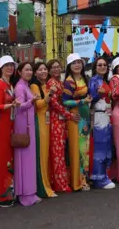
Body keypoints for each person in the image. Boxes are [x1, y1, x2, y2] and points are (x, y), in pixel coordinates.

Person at [0, 55, 20, 207]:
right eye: (7, 65)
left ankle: (8, 192)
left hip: (10, 123)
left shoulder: (10, 85)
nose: (10, 68)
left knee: (9, 158)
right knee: (1, 158)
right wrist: (11, 105)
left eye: (12, 65)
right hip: (1, 123)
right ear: (1, 68)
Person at [62, 53, 92, 191]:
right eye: (74, 63)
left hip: (85, 118)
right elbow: (65, 101)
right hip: (76, 117)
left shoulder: (85, 79)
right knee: (78, 150)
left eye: (79, 62)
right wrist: (81, 101)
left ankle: (85, 177)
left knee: (85, 149)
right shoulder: (69, 81)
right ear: (69, 66)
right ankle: (79, 180)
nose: (77, 65)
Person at [13, 62, 41, 206]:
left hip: (29, 124)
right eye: (26, 70)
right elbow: (20, 107)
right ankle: (24, 194)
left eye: (31, 70)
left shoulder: (26, 86)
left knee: (30, 160)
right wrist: (32, 101)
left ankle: (31, 192)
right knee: (24, 160)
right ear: (19, 72)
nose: (29, 72)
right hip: (23, 126)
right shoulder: (19, 87)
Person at [46, 59, 75, 193]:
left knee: (61, 152)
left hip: (61, 120)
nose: (56, 69)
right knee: (57, 153)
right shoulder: (51, 83)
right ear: (49, 70)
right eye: (53, 67)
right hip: (55, 120)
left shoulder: (60, 82)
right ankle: (60, 184)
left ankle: (61, 181)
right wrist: (68, 114)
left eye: (58, 67)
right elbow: (54, 103)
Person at [30, 62, 56, 198]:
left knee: (46, 153)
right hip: (40, 120)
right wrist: (49, 95)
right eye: (40, 70)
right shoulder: (34, 86)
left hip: (47, 120)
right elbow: (38, 104)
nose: (44, 71)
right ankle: (43, 186)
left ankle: (47, 183)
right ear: (35, 73)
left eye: (45, 69)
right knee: (42, 153)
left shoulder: (46, 85)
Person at [88, 57, 115, 189]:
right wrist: (98, 95)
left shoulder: (105, 80)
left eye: (105, 65)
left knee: (106, 146)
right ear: (95, 67)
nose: (103, 67)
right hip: (99, 115)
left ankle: (105, 174)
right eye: (100, 65)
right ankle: (98, 178)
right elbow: (90, 99)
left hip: (107, 115)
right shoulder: (93, 81)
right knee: (100, 147)